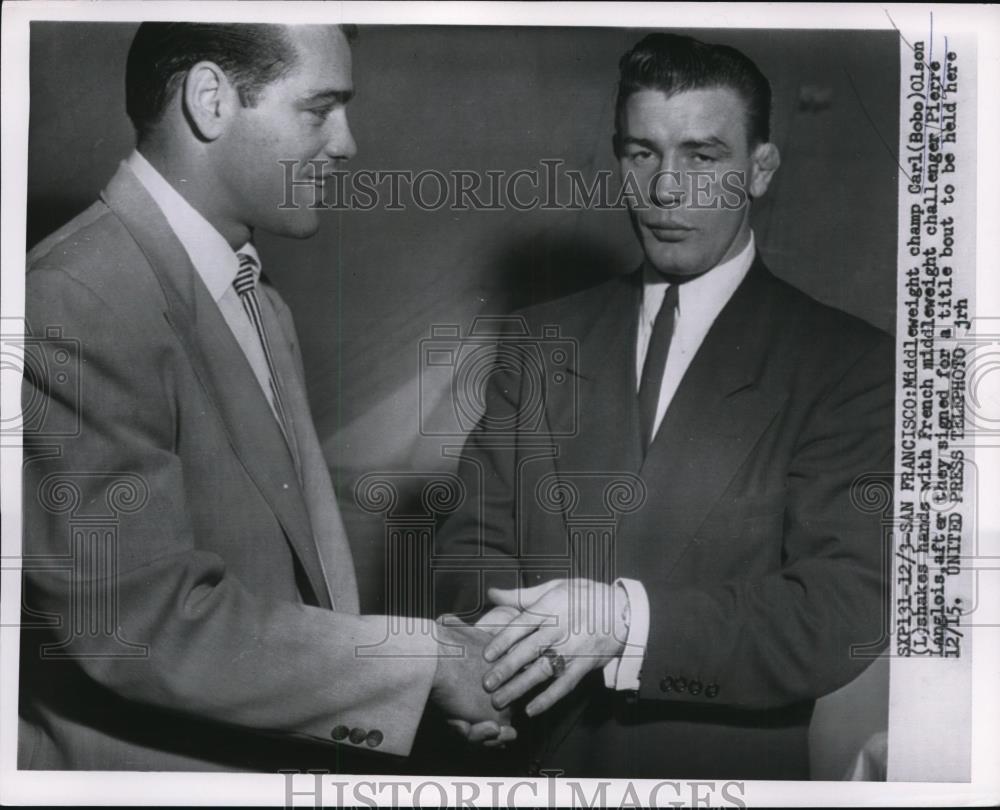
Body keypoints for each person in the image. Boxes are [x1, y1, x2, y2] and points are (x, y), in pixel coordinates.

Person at [19, 22, 509, 772]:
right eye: (320, 108)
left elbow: (305, 575)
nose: (347, 143)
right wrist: (423, 667)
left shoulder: (251, 292)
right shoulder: (75, 298)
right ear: (211, 99)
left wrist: (408, 682)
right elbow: (137, 622)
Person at [436, 32, 894, 779]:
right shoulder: (538, 338)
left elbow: (837, 612)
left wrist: (623, 622)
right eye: (642, 153)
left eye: (703, 157)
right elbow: (470, 545)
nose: (666, 190)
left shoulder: (848, 364)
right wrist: (496, 658)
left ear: (761, 170)